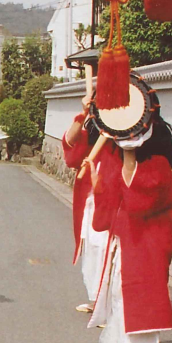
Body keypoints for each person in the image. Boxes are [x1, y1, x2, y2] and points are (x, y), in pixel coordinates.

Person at [85, 112, 172, 343]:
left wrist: (128, 156)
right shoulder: (127, 162)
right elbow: (112, 206)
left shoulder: (158, 164)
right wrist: (99, 185)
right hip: (127, 240)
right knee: (120, 297)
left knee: (141, 301)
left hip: (147, 242)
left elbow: (139, 202)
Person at [62, 94, 116, 313]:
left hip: (111, 204)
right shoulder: (90, 137)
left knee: (107, 250)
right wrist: (83, 113)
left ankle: (110, 305)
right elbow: (69, 144)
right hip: (90, 203)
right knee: (92, 249)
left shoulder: (124, 142)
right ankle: (96, 300)